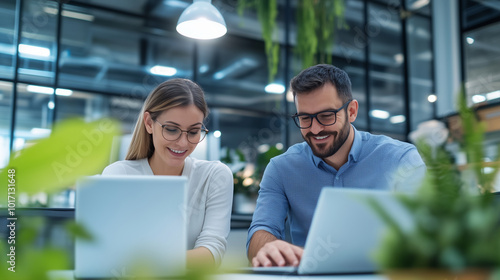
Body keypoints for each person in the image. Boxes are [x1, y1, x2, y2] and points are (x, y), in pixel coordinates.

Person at [247, 64, 426, 267]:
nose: (315, 129)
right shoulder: (281, 168)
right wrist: (268, 248)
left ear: (351, 111)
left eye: (326, 116)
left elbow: (427, 235)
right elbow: (260, 232)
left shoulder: (401, 159)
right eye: (305, 118)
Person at [102, 78, 233, 268]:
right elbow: (108, 254)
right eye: (172, 130)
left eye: (194, 132)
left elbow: (211, 253)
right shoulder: (118, 175)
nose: (183, 143)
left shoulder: (214, 176)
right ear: (149, 123)